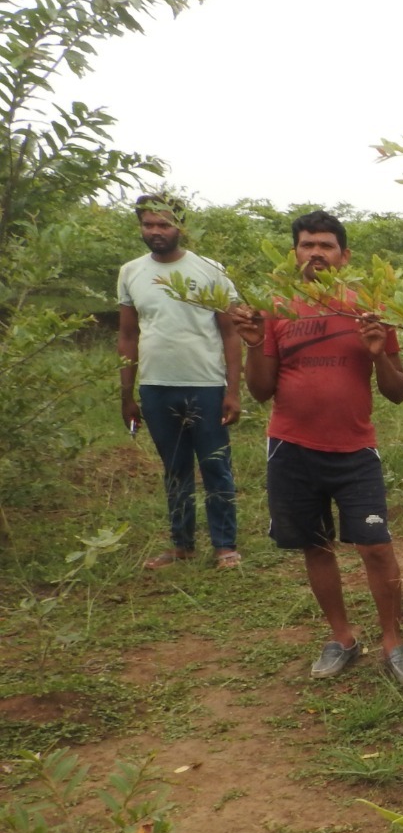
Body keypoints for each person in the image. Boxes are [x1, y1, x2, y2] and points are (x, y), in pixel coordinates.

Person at [231, 210, 403, 684]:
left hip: (355, 450)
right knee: (315, 546)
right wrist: (253, 344)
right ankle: (342, 638)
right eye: (307, 244)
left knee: (375, 547)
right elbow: (260, 390)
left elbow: (398, 392)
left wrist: (380, 356)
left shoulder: (369, 309)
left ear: (344, 255)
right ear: (294, 253)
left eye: (326, 245)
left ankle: (393, 641)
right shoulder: (275, 309)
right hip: (291, 449)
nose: (315, 253)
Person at [117, 194, 244, 569]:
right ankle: (182, 544)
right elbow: (128, 335)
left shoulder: (209, 269)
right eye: (148, 224)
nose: (155, 231)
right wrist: (127, 395)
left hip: (206, 385)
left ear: (180, 227)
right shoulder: (130, 272)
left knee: (215, 465)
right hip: (155, 387)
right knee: (174, 468)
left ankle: (225, 546)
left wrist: (233, 391)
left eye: (164, 224)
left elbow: (231, 332)